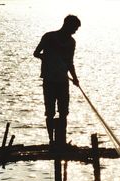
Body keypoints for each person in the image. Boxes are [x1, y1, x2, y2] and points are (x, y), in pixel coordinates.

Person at [33, 15, 81, 145]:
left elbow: (70, 62)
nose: (75, 31)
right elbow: (36, 53)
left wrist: (75, 78)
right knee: (51, 112)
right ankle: (52, 140)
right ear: (67, 25)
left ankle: (60, 141)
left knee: (63, 112)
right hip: (50, 80)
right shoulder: (49, 37)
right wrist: (46, 58)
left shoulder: (71, 42)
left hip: (62, 81)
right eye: (74, 28)